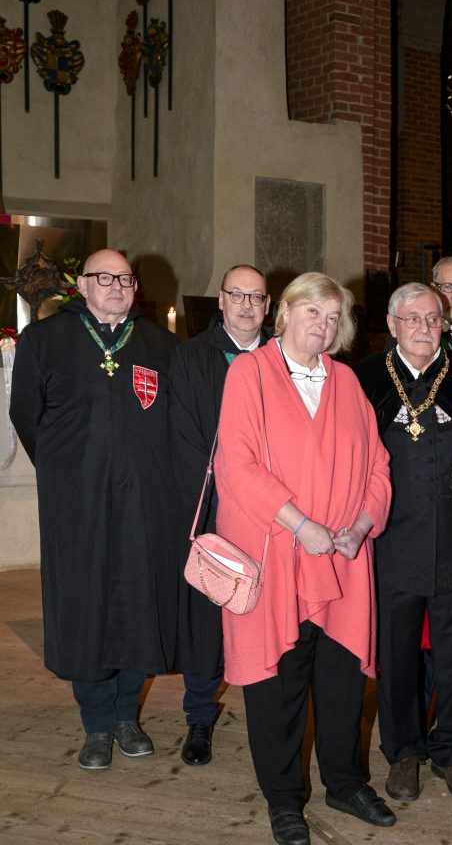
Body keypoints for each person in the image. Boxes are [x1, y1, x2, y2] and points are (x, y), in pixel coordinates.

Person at [214, 272, 395, 845]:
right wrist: (303, 526)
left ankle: (344, 783)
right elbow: (237, 467)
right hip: (277, 558)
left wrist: (361, 525)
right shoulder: (250, 373)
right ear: (284, 314)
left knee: (341, 681)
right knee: (280, 683)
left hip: (341, 559)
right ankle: (285, 798)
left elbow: (378, 467)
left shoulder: (347, 382)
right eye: (312, 312)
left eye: (333, 316)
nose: (323, 324)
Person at [9, 249, 178, 771]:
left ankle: (128, 715)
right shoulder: (44, 340)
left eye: (124, 278)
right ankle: (97, 725)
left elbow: (175, 422)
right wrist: (68, 473)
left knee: (135, 605)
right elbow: (25, 416)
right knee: (85, 608)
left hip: (143, 503)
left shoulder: (159, 344)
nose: (116, 286)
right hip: (76, 505)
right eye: (103, 277)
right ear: (80, 284)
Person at [355, 282, 452, 807]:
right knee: (397, 656)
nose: (425, 329)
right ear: (392, 325)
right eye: (413, 319)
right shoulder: (362, 379)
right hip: (391, 541)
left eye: (433, 319)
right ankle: (403, 752)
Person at [169, 264, 271, 765]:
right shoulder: (190, 357)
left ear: (269, 306)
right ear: (222, 301)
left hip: (272, 511)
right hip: (212, 506)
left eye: (256, 297)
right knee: (207, 615)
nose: (247, 305)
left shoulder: (283, 358)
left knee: (266, 614)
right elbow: (184, 436)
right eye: (237, 295)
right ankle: (198, 718)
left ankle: (271, 715)